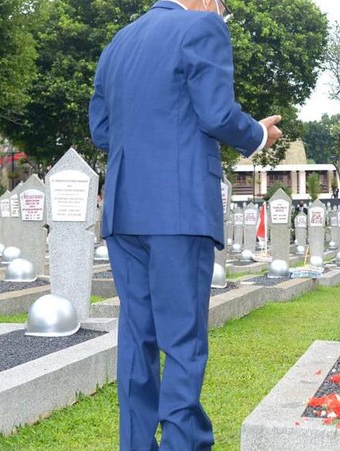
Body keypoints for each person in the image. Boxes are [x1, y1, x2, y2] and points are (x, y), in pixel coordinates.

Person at [88, 1, 282, 449]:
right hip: (178, 208)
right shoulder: (203, 27)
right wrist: (257, 134)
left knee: (137, 338)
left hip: (124, 209)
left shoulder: (117, 44)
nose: (222, 10)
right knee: (182, 340)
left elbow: (102, 130)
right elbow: (215, 114)